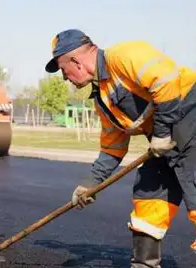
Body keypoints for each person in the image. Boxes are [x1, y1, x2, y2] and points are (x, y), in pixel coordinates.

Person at [44, 28, 196, 268]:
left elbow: (166, 80)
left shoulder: (125, 55)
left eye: (64, 69)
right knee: (149, 194)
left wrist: (162, 132)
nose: (65, 77)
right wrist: (90, 184)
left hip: (190, 117)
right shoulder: (102, 98)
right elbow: (112, 147)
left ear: (76, 61)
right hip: (165, 141)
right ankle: (144, 265)